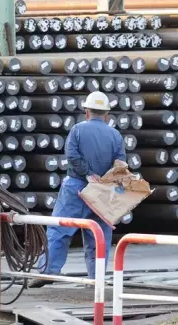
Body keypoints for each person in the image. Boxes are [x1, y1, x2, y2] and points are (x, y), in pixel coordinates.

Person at [29, 91, 126, 288]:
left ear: (87, 111)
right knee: (98, 234)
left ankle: (48, 271)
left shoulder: (77, 130)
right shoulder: (115, 135)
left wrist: (88, 173)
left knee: (60, 228)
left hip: (76, 187)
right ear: (106, 114)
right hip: (103, 191)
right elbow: (121, 164)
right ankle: (95, 278)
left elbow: (72, 155)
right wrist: (106, 181)